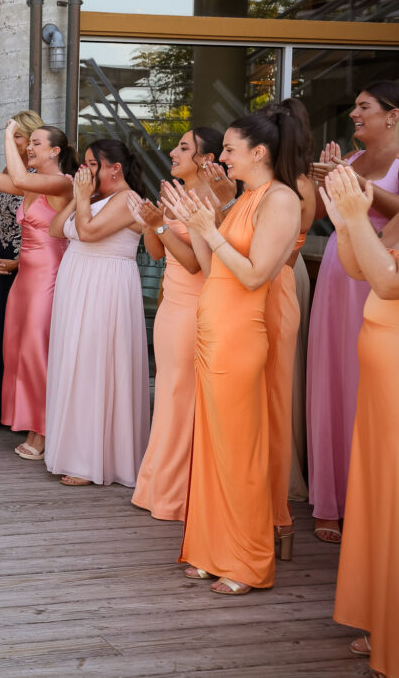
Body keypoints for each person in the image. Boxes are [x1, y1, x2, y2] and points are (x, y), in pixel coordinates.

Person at [163, 103, 304, 595]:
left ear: (259, 152)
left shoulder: (281, 200)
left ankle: (246, 561)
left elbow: (254, 275)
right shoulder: (245, 197)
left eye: (228, 149)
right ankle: (211, 548)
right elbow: (210, 265)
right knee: (213, 447)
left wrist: (207, 231)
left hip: (240, 335)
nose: (220, 157)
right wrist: (192, 221)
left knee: (239, 451)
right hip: (212, 330)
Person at [305, 80, 399, 544]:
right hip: (339, 268)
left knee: (365, 378)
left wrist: (357, 189)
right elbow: (337, 219)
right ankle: (330, 499)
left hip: (383, 272)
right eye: (353, 107)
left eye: (363, 107)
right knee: (332, 375)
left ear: (393, 114)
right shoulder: (346, 160)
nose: (353, 114)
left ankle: (368, 497)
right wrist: (329, 183)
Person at [322, 148, 399, 678]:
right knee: (379, 495)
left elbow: (392, 283)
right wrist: (346, 221)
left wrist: (356, 218)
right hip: (381, 383)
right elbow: (361, 267)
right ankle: (385, 615)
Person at [44, 138, 150, 488]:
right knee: (74, 363)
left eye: (92, 164)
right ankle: (75, 450)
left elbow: (86, 232)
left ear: (114, 169)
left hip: (106, 288)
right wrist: (79, 197)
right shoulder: (94, 198)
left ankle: (93, 459)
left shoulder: (127, 198)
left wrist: (83, 201)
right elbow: (56, 228)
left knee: (95, 366)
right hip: (79, 286)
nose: (84, 170)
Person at [130, 128, 222, 519]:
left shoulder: (214, 201)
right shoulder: (174, 194)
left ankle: (177, 492)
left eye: (184, 147)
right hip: (170, 306)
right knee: (168, 392)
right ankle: (158, 486)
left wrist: (163, 225)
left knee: (181, 397)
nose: (173, 151)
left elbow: (196, 263)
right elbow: (156, 252)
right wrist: (154, 222)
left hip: (196, 306)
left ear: (206, 158)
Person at [0, 116, 75, 460]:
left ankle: (44, 430)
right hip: (23, 280)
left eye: (35, 143)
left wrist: (6, 134)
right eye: (26, 142)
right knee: (17, 353)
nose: (28, 147)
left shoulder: (61, 184)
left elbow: (16, 176)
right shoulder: (31, 184)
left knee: (37, 354)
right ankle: (30, 422)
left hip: (48, 276)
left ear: (55, 151)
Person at [262, 98, 317, 560]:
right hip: (259, 277)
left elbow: (289, 248)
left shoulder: (296, 185)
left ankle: (284, 483)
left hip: (282, 276)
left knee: (283, 380)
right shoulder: (266, 185)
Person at [0, 111, 42, 426]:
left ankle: (20, 412)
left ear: (31, 140)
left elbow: (43, 228)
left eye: (17, 135)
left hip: (28, 262)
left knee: (20, 340)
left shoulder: (35, 175)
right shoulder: (7, 171)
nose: (13, 140)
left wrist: (16, 260)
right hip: (2, 259)